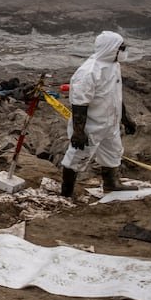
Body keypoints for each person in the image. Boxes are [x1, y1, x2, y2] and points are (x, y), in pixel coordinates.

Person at [60, 31, 136, 197]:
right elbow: (79, 103)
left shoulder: (114, 65)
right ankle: (66, 193)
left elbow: (116, 95)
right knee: (76, 158)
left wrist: (125, 119)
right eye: (121, 48)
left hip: (110, 124)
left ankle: (111, 184)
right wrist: (78, 132)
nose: (124, 51)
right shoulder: (89, 72)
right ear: (110, 48)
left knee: (114, 152)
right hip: (91, 127)